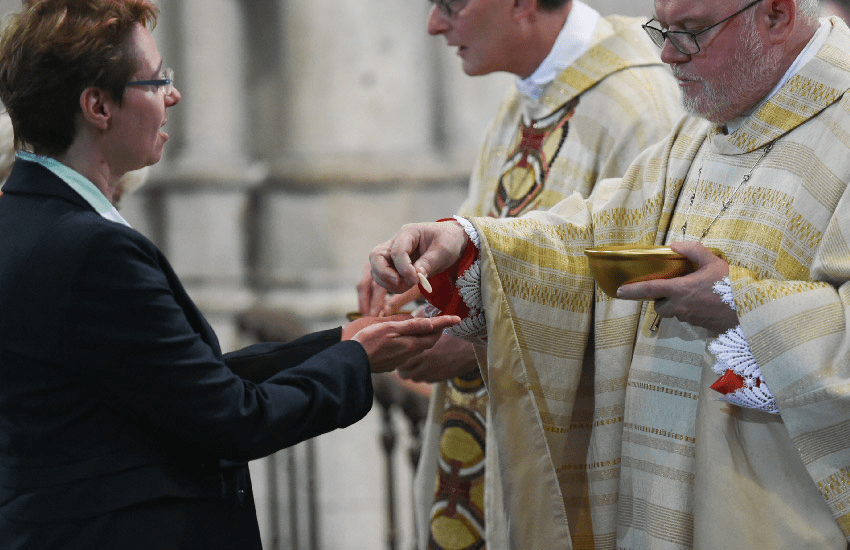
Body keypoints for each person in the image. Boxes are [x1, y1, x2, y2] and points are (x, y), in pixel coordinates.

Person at [370, 0, 850, 548]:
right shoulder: (712, 125)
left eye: (691, 33)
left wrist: (740, 308)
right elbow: (597, 233)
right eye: (662, 30)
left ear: (776, 15)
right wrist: (470, 243)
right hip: (657, 501)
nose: (668, 54)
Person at [0, 1, 460, 549]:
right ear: (98, 106)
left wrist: (338, 342)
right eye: (156, 80)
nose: (172, 95)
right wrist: (356, 363)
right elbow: (232, 419)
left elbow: (185, 382)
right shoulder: (91, 248)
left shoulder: (23, 216)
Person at [356, 1, 684, 547]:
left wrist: (478, 335)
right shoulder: (526, 99)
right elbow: (487, 244)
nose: (434, 24)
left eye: (451, 4)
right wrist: (421, 282)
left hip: (583, 469)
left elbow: (652, 302)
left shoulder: (639, 106)